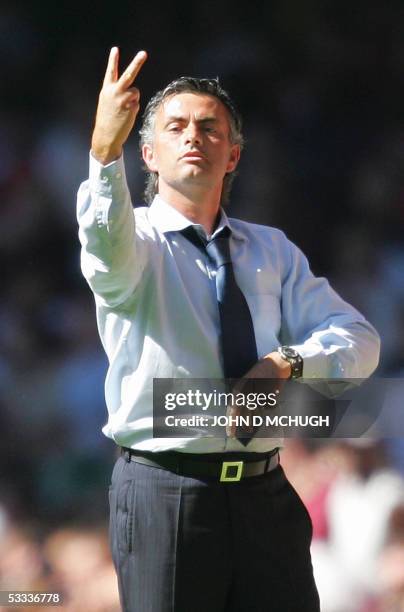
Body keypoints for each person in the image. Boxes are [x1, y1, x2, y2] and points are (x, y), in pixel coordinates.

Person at [77, 47, 380, 612]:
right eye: (176, 127)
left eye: (209, 127)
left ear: (233, 155)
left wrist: (285, 362)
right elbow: (103, 245)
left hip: (265, 492)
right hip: (167, 493)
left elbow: (359, 340)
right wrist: (102, 151)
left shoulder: (271, 249)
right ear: (148, 153)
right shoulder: (135, 243)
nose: (193, 135)